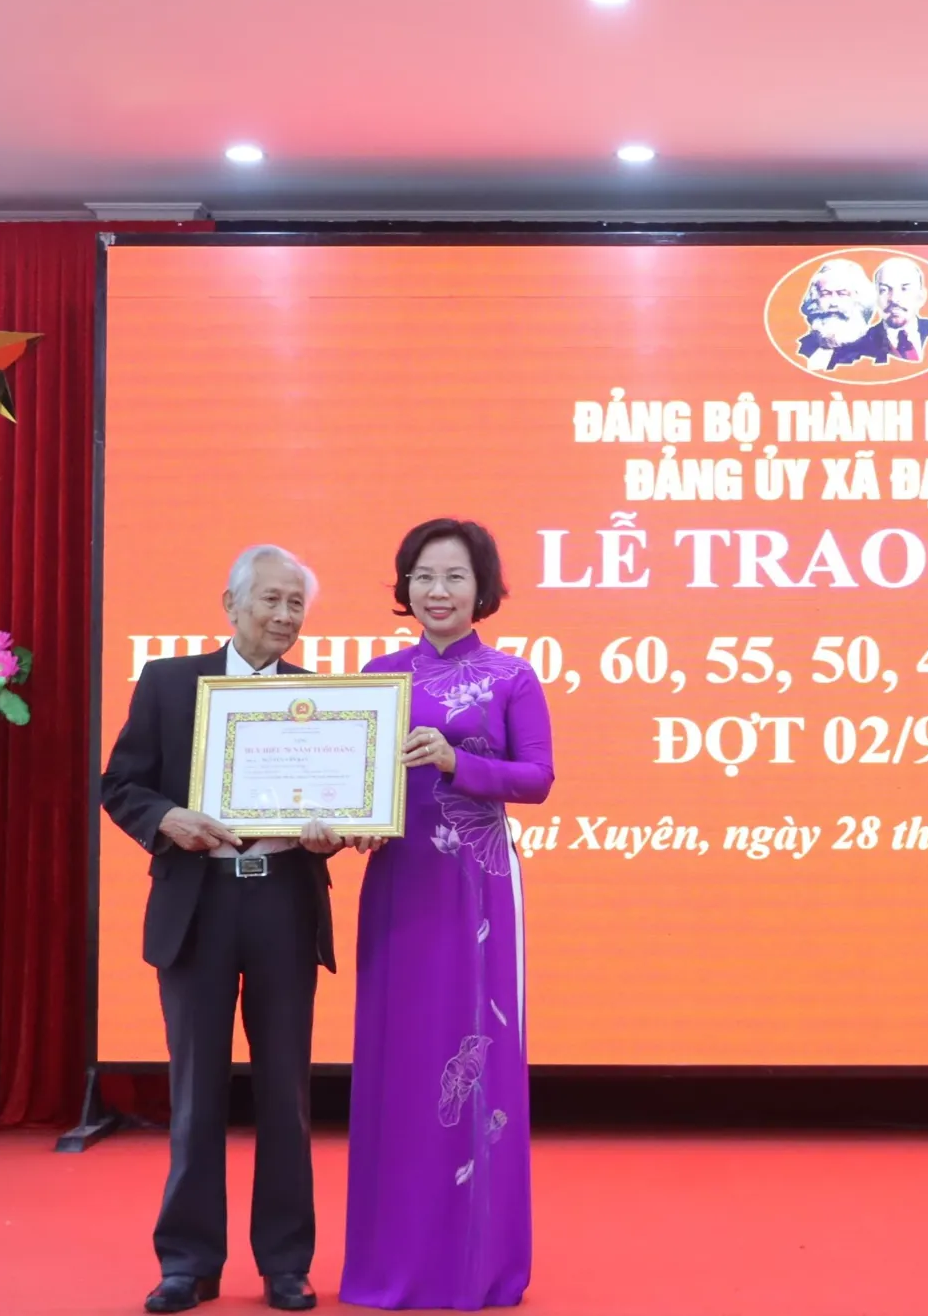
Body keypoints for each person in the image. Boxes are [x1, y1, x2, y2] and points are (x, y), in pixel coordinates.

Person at [101, 544, 343, 1314]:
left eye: (296, 604)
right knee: (196, 1093)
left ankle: (286, 1263)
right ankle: (188, 1262)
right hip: (198, 903)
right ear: (231, 604)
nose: (284, 615)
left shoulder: (321, 700)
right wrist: (167, 818)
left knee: (285, 1092)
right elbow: (121, 784)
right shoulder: (169, 683)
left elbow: (341, 804)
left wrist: (333, 832)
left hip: (283, 901)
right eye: (270, 599)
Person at [340, 519, 555, 1311]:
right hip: (399, 883)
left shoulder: (511, 677)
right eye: (423, 576)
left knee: (473, 1057)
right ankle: (393, 1261)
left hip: (474, 889)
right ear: (405, 586)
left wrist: (453, 761)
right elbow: (355, 779)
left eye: (455, 577)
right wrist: (346, 822)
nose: (437, 591)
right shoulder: (377, 676)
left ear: (481, 589)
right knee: (398, 1061)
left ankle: (474, 1263)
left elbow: (537, 778)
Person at [794, 258, 882, 371]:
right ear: (815, 299)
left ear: (860, 300)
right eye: (826, 294)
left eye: (842, 294)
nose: (833, 303)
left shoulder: (875, 352)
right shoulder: (800, 348)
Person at [868, 256, 928, 363]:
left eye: (904, 289)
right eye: (884, 290)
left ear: (921, 297)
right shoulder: (859, 345)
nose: (894, 299)